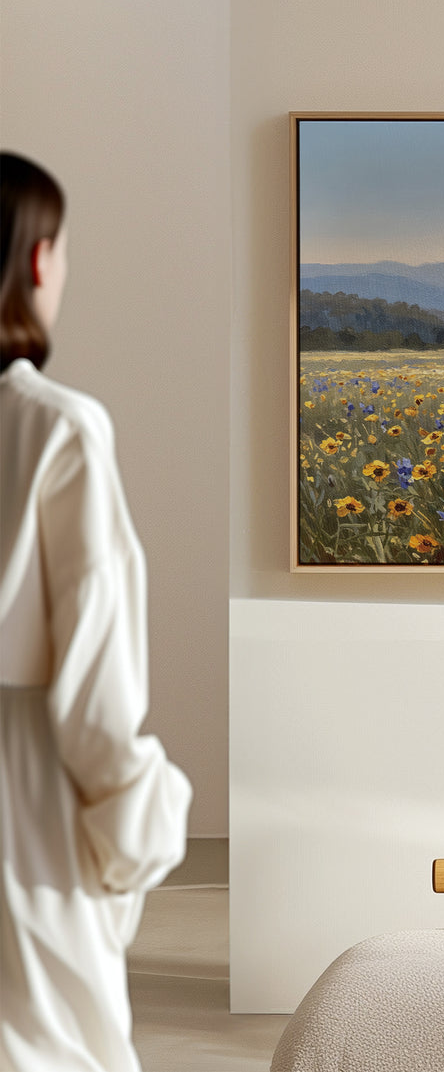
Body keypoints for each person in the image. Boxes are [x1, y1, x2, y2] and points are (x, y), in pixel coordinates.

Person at [1, 152, 192, 1072]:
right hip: (20, 799)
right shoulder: (57, 428)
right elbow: (93, 697)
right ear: (38, 260)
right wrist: (138, 824)